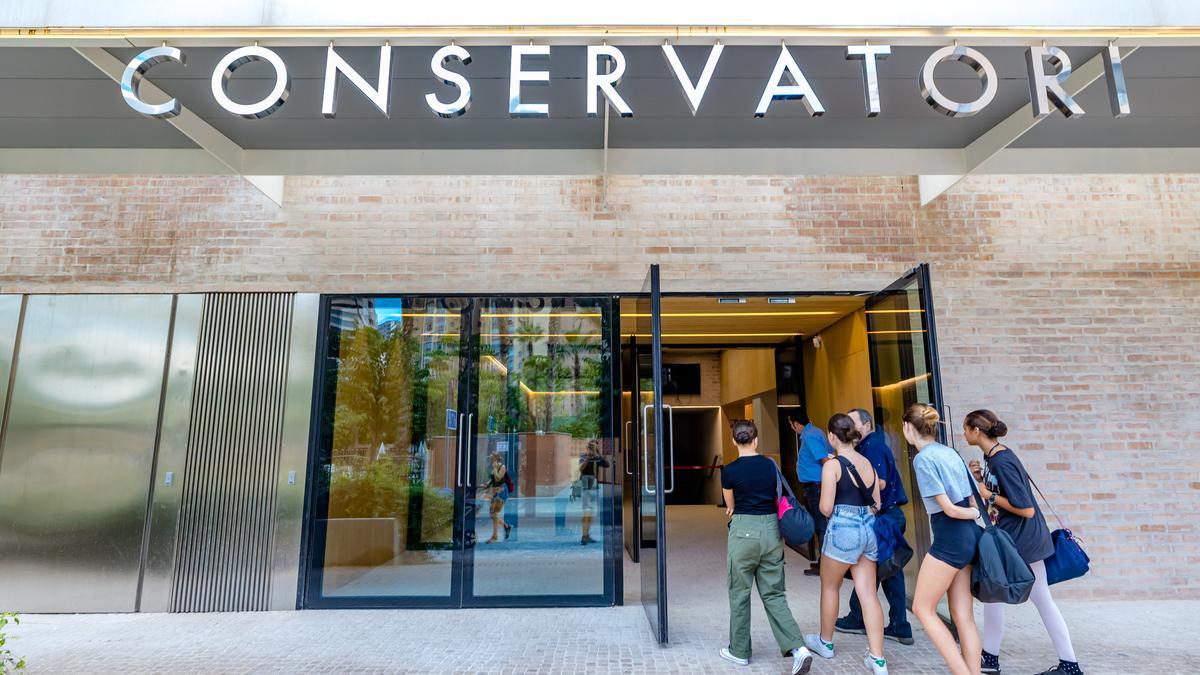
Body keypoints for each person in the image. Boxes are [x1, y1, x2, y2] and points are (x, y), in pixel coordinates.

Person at [964, 410, 1083, 675]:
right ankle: (990, 659)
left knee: (1035, 598)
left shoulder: (1002, 461)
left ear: (976, 431)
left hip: (1022, 541)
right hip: (1011, 539)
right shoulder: (992, 457)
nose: (964, 434)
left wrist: (986, 494)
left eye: (965, 429)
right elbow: (1000, 493)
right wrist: (981, 480)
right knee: (994, 595)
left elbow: (1025, 508)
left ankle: (1069, 665)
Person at [720, 419, 815, 675]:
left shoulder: (729, 471)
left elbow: (730, 505)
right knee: (774, 594)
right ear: (756, 440)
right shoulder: (770, 466)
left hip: (743, 531)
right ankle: (798, 648)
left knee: (739, 593)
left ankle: (739, 652)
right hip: (771, 531)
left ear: (733, 441)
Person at [803, 413, 890, 675]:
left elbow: (826, 507)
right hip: (868, 529)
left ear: (831, 437)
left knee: (830, 587)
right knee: (868, 593)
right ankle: (878, 659)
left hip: (843, 528)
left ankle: (825, 642)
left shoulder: (833, 465)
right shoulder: (867, 463)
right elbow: (878, 503)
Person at [906, 403, 984, 675]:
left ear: (908, 428)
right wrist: (974, 513)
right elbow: (972, 496)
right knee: (963, 616)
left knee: (922, 608)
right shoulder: (950, 452)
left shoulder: (923, 458)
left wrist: (971, 512)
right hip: (969, 536)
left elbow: (948, 509)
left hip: (950, 537)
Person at [836, 408, 915, 646]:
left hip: (885, 517)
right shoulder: (867, 447)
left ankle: (860, 618)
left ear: (867, 424)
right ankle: (898, 626)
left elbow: (878, 482)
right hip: (888, 516)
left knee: (873, 569)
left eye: (854, 422)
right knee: (887, 571)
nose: (850, 427)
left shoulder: (872, 447)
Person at [789, 413, 834, 576]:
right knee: (821, 525)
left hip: (816, 487)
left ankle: (826, 567)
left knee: (821, 526)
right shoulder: (816, 432)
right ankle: (824, 562)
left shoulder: (809, 437)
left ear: (795, 423)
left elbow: (824, 459)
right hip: (816, 485)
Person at [577, 440, 609, 545]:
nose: (591, 449)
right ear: (587, 447)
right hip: (586, 486)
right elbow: (581, 469)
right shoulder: (583, 456)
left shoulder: (597, 458)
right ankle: (584, 536)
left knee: (589, 511)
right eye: (591, 447)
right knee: (587, 510)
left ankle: (586, 535)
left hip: (593, 486)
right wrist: (588, 458)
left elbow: (607, 464)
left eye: (594, 447)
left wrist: (598, 454)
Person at [483, 451, 512, 544]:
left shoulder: (502, 466)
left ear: (496, 458)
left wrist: (495, 468)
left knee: (494, 514)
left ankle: (496, 536)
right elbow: (492, 479)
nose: (490, 458)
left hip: (501, 492)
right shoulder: (493, 466)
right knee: (493, 514)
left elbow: (498, 478)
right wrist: (487, 484)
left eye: (491, 457)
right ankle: (505, 527)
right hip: (495, 491)